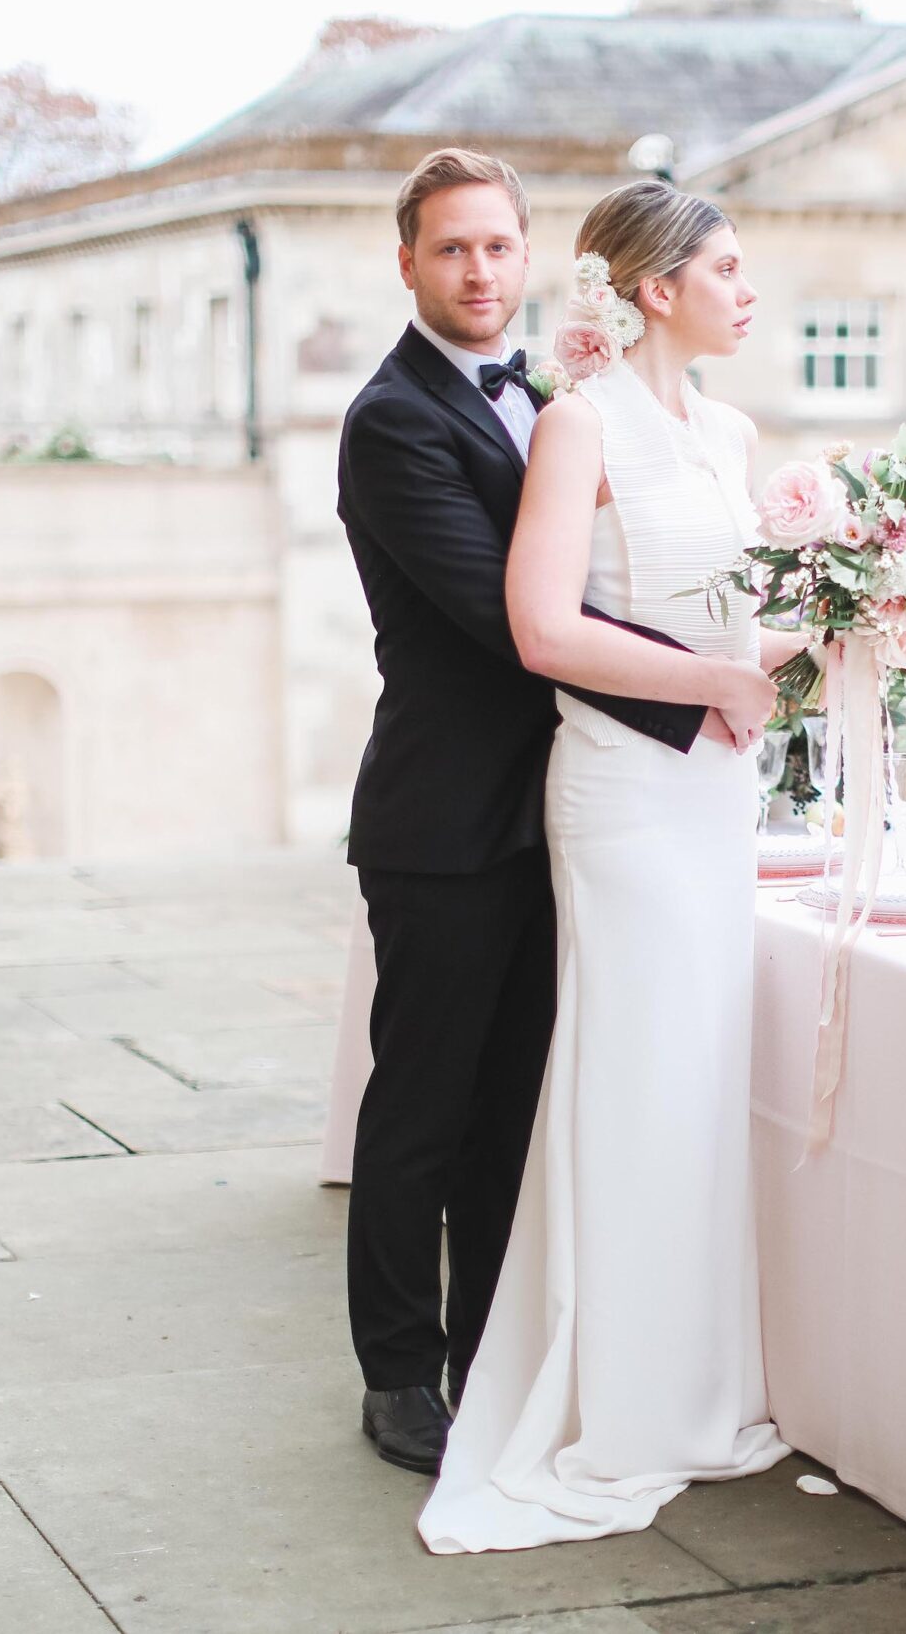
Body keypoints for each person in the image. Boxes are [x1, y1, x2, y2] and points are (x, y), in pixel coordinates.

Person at [336, 150, 780, 1476]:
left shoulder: (547, 396)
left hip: (572, 802)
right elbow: (512, 617)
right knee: (423, 1104)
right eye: (450, 248)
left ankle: (492, 1358)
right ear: (408, 264)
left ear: (533, 259)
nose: (478, 271)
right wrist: (703, 689)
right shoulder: (392, 419)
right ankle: (397, 1374)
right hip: (452, 813)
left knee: (515, 1112)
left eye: (497, 246)